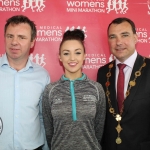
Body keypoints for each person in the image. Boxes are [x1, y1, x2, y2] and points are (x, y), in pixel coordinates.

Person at [42, 29, 106, 150]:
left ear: (84, 56)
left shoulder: (96, 89)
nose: (72, 58)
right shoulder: (50, 90)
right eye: (66, 53)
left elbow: (99, 129)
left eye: (77, 53)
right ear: (60, 57)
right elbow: (49, 131)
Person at [97, 17, 150, 150]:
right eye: (113, 37)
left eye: (124, 35)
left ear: (136, 38)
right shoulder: (103, 73)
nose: (118, 42)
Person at [0, 15, 50, 150]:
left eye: (21, 37)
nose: (14, 42)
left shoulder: (42, 75)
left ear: (32, 42)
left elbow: (43, 118)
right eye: (10, 36)